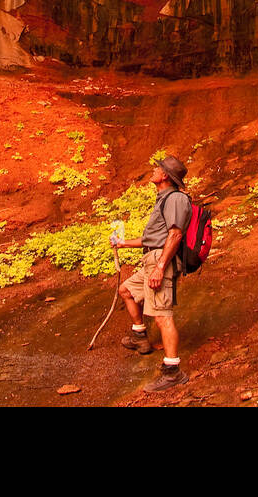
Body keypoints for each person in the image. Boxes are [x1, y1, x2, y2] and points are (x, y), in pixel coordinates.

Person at [112, 154, 192, 393]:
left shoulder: (176, 199)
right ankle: (140, 336)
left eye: (158, 168)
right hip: (152, 258)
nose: (154, 171)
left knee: (162, 316)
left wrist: (160, 267)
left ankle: (173, 371)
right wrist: (122, 243)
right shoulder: (163, 199)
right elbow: (152, 239)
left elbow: (175, 235)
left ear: (165, 176)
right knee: (126, 290)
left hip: (161, 261)